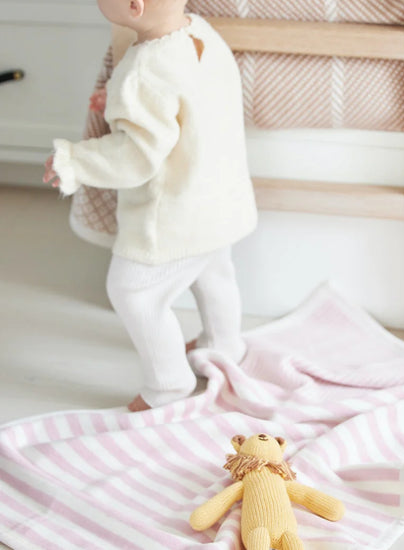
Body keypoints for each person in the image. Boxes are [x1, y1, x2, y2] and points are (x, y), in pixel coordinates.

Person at [43, 0, 258, 412]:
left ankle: (168, 385)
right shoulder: (200, 32)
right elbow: (184, 97)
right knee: (214, 272)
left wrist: (75, 160)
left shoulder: (143, 69)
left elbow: (135, 158)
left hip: (175, 216)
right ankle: (225, 345)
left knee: (133, 291)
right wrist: (120, 100)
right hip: (220, 202)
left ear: (134, 6)